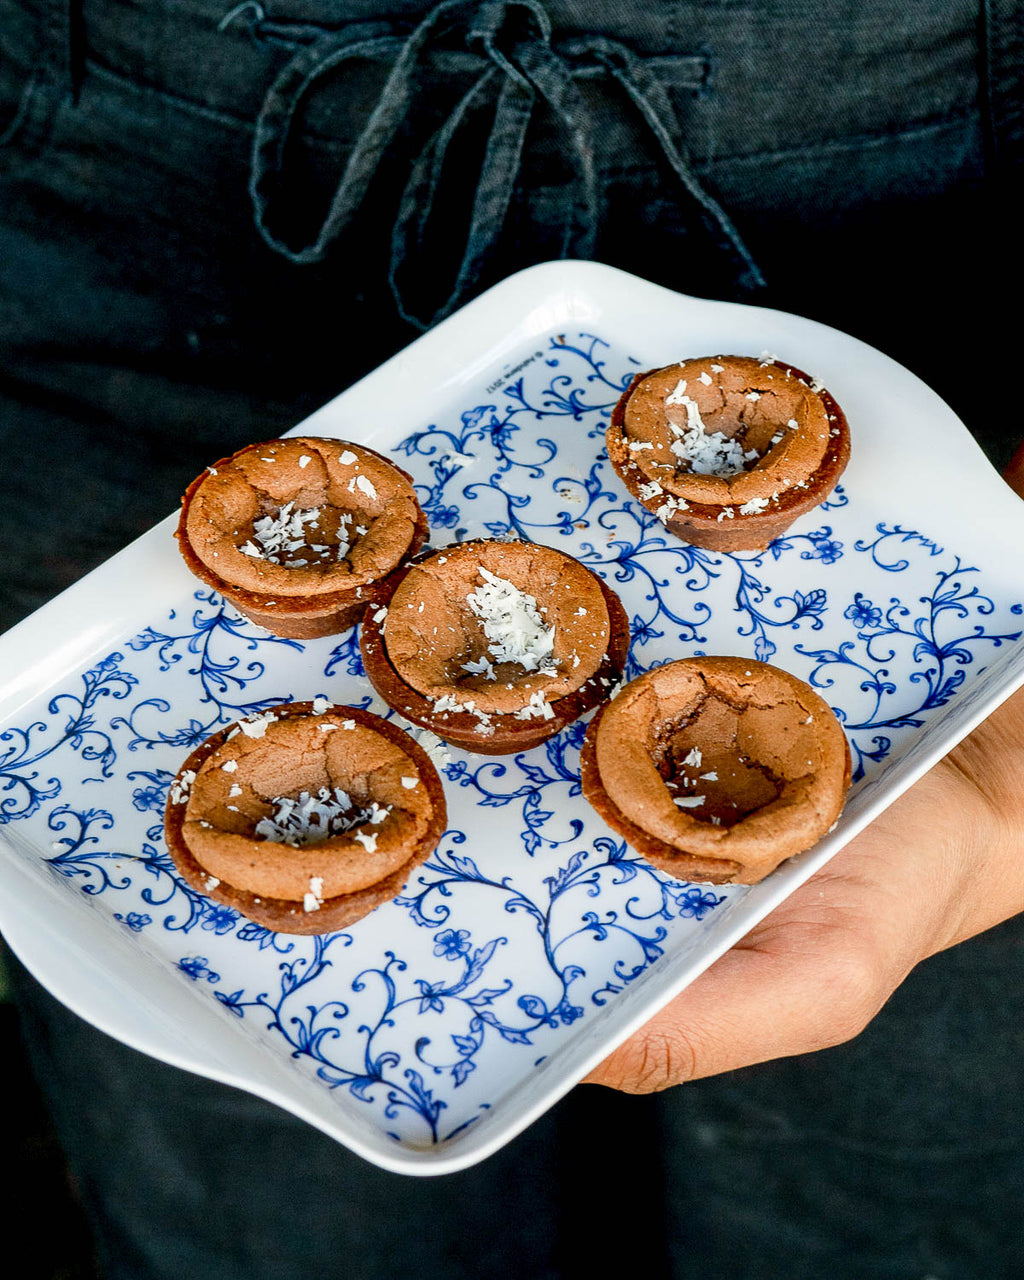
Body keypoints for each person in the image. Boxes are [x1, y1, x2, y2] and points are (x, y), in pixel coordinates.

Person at [2, 0, 1023, 1275]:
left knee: (877, 1204)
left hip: (913, 211)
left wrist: (1005, 768)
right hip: (128, 196)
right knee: (285, 1215)